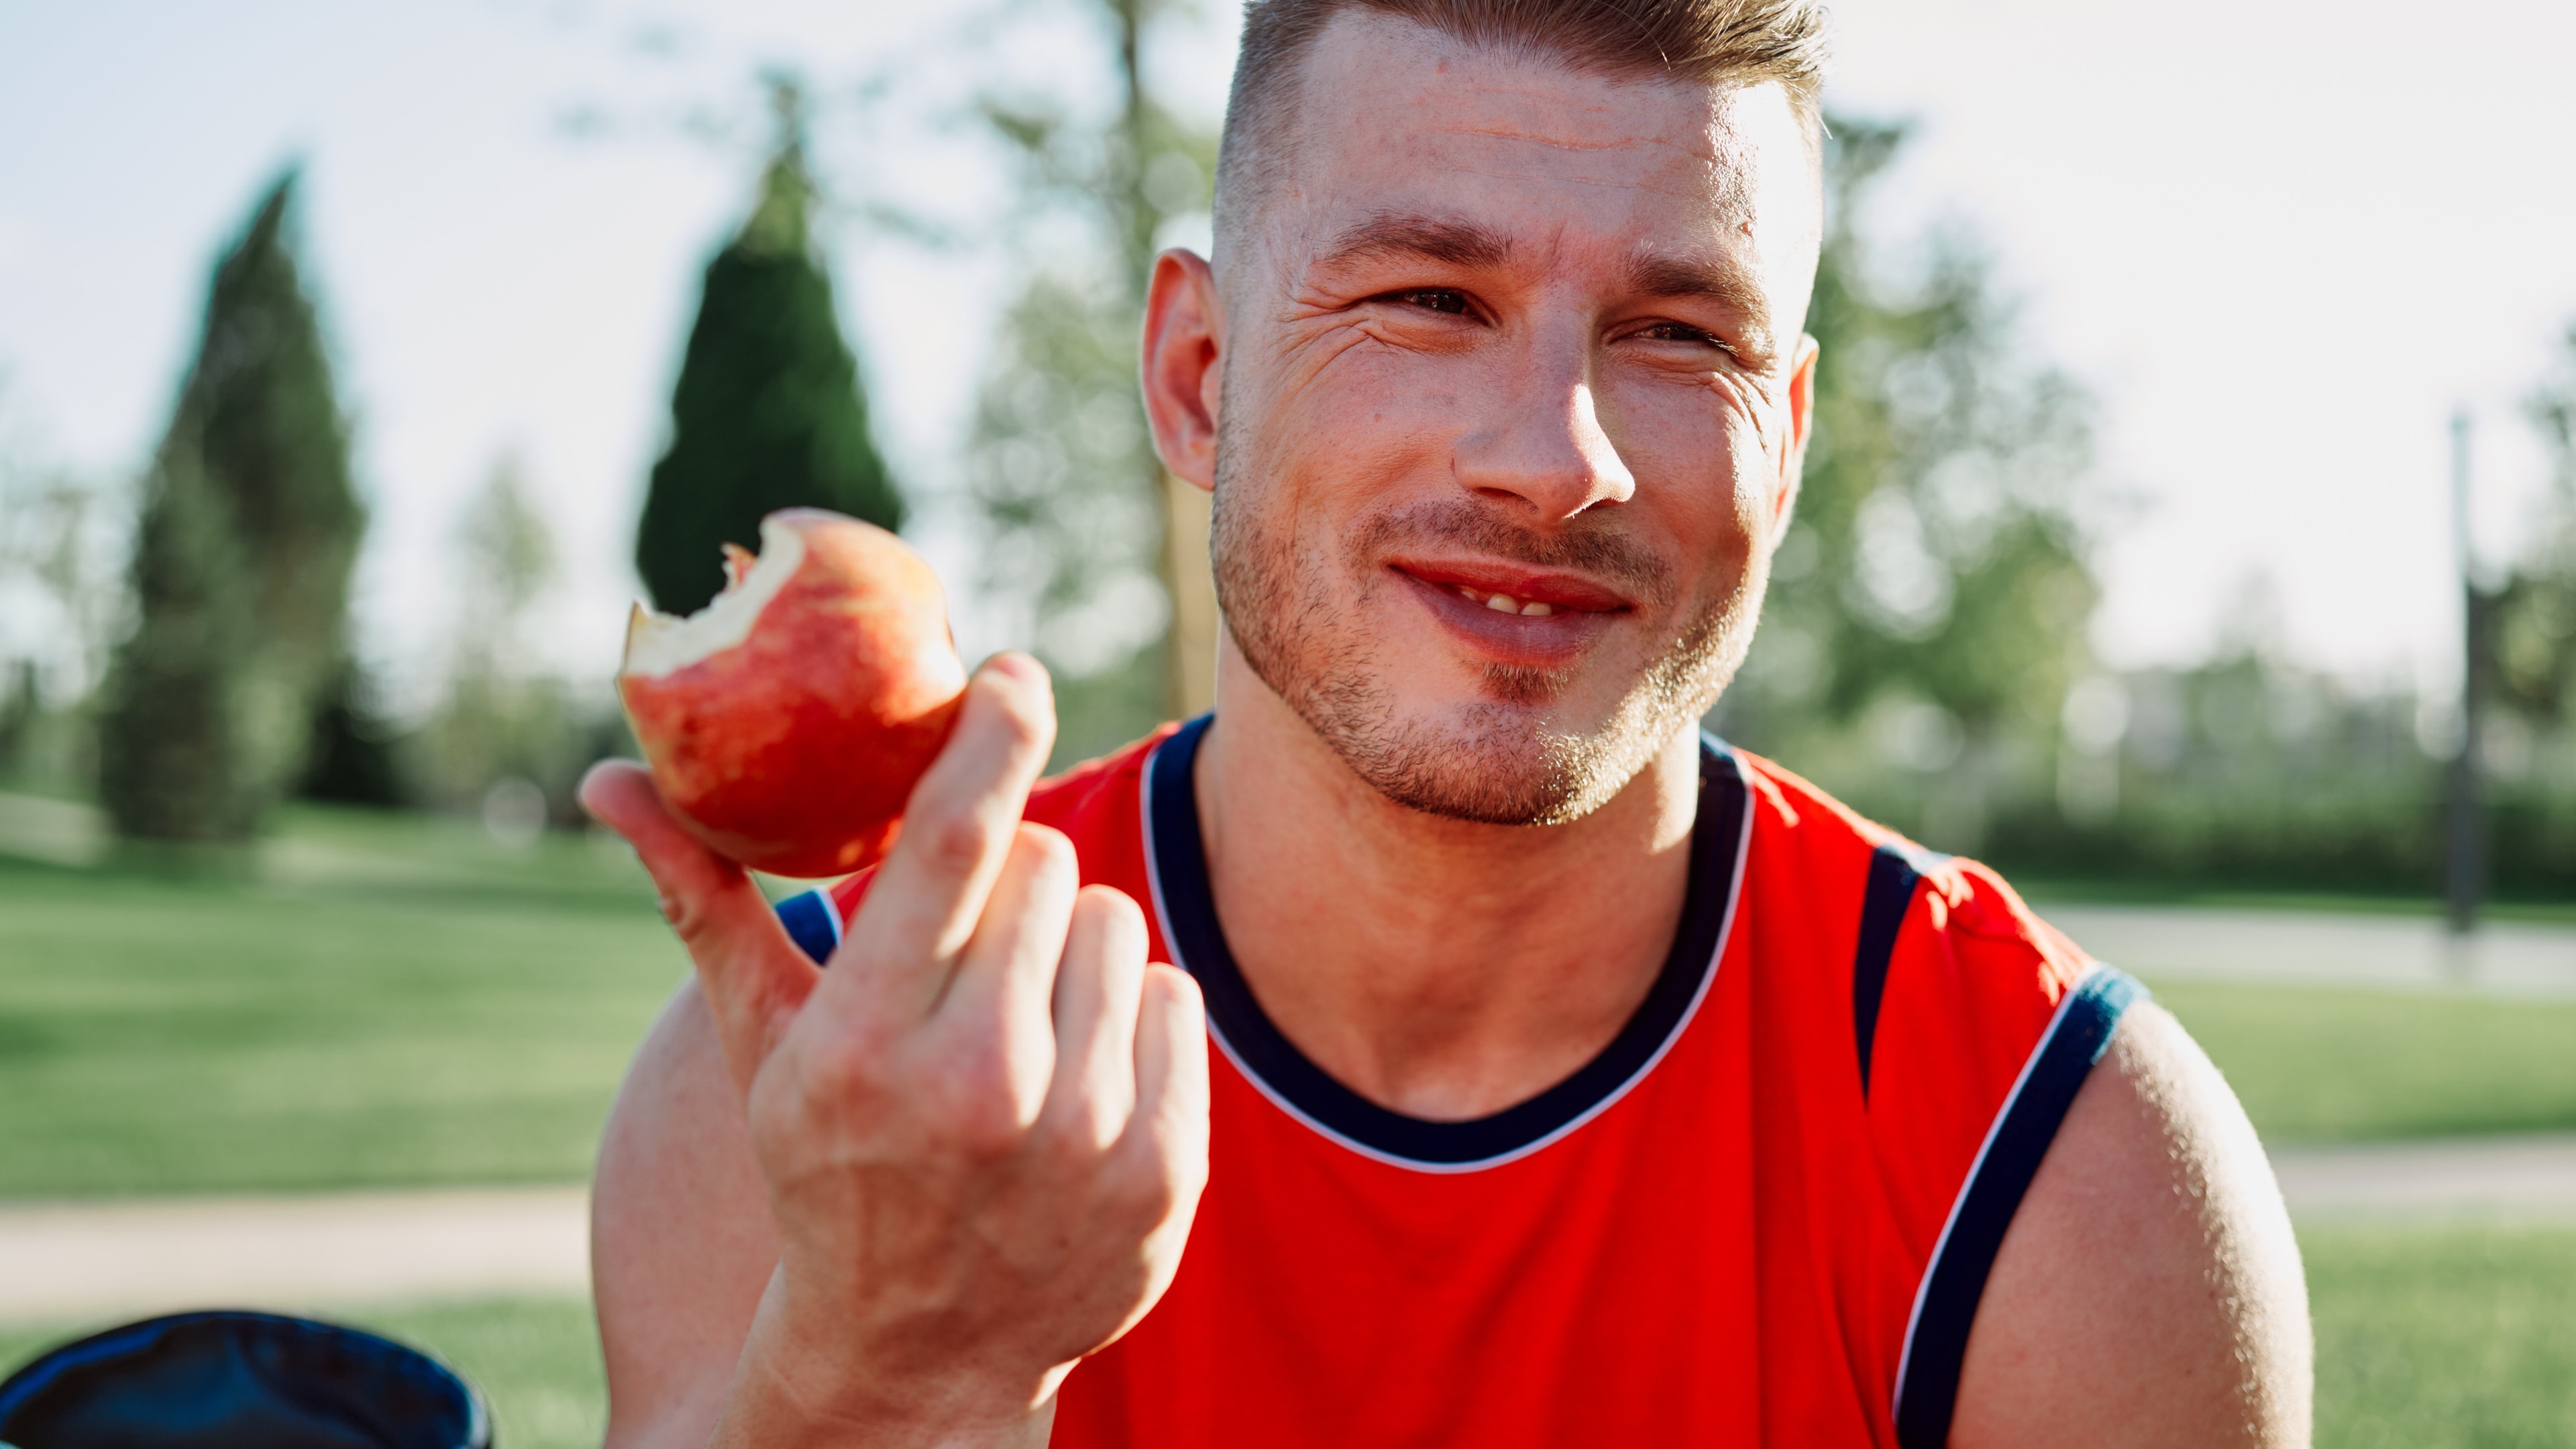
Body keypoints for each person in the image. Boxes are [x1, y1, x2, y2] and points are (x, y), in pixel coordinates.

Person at [578, 0, 2314, 1443]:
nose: (1557, 459)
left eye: (1677, 333)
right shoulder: (815, 1077)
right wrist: (882, 1382)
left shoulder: (2061, 1160)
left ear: (1784, 445)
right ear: (1198, 378)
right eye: (1428, 299)